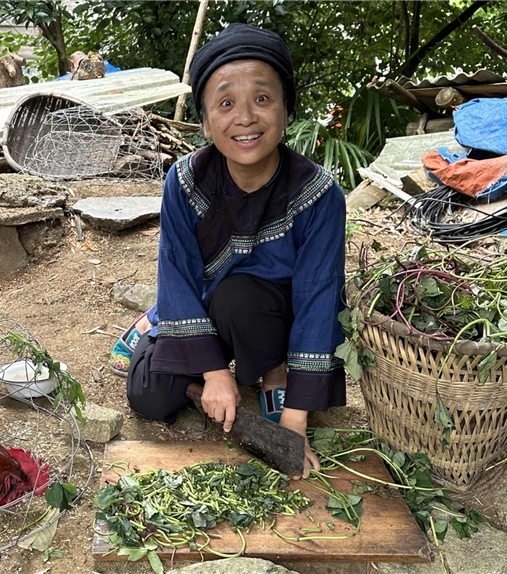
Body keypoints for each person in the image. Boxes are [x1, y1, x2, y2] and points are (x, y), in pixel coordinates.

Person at [109, 23, 346, 478]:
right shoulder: (184, 181)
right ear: (205, 121)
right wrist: (215, 373)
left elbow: (320, 296)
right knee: (152, 399)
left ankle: (273, 371)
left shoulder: (319, 193)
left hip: (270, 313)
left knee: (242, 297)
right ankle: (156, 318)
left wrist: (296, 418)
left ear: (286, 110)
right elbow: (177, 269)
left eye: (262, 98)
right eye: (225, 102)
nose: (246, 118)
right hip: (199, 302)